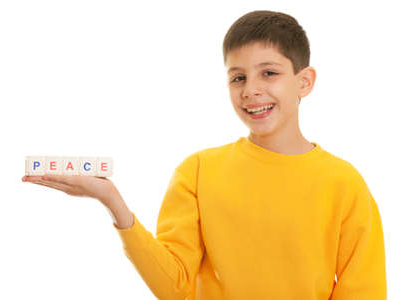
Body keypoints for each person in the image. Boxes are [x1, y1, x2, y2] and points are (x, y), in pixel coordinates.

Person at [22, 10, 387, 300]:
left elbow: (364, 294)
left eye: (269, 73)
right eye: (238, 78)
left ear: (304, 81)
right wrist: (114, 204)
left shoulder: (344, 183)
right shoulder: (198, 171)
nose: (251, 91)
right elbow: (175, 287)